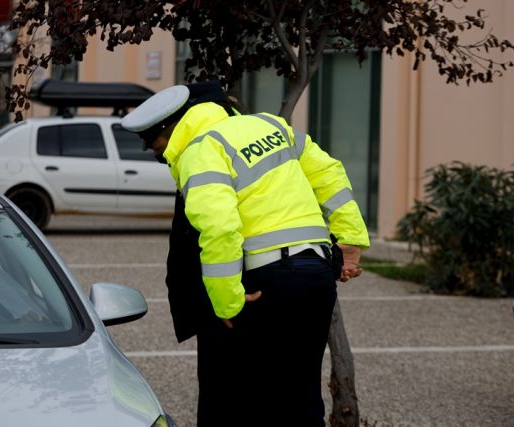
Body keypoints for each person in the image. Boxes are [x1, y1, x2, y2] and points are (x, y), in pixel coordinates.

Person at [122, 82, 370, 427]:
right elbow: (329, 173)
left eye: (154, 144)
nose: (158, 154)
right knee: (302, 397)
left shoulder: (202, 151)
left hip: (269, 284)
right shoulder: (269, 125)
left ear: (171, 128)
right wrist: (351, 240)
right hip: (317, 276)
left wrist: (227, 302)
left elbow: (220, 229)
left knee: (249, 402)